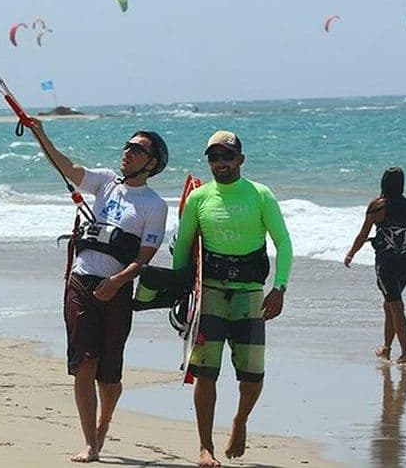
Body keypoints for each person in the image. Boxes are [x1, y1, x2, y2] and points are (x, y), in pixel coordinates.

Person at [29, 118, 169, 463]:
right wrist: (40, 133)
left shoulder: (154, 205)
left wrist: (118, 281)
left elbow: (144, 257)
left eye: (137, 150)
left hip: (117, 290)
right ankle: (90, 442)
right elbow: (67, 168)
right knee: (84, 363)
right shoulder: (106, 182)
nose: (128, 152)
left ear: (152, 163)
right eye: (128, 146)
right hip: (82, 281)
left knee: (109, 376)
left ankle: (104, 423)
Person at [171, 130, 292, 467]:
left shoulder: (260, 195)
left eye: (227, 156)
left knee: (252, 375)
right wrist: (181, 293)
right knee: (205, 371)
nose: (220, 163)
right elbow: (183, 249)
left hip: (251, 294)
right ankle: (205, 446)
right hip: (209, 291)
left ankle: (240, 421)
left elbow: (284, 243)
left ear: (241, 159)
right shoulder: (199, 198)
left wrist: (279, 288)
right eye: (214, 157)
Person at [344, 167, 406, 364]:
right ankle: (386, 349)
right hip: (405, 263)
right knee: (390, 305)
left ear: (384, 183)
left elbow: (363, 234)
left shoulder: (377, 207)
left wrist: (351, 253)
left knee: (396, 306)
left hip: (385, 265)